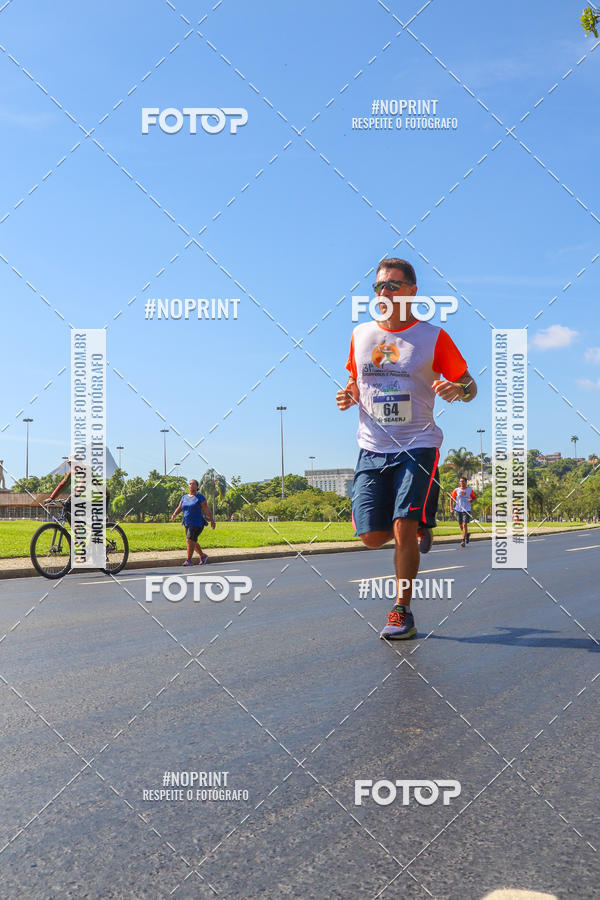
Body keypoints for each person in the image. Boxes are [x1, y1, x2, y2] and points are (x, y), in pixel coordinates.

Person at [336, 257, 477, 640]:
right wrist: (349, 395)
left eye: (392, 285)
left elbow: (470, 385)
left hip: (418, 445)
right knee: (371, 537)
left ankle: (402, 611)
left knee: (402, 525)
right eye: (378, 286)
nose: (383, 292)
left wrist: (458, 390)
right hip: (372, 447)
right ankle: (419, 525)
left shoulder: (433, 338)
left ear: (412, 292)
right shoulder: (361, 335)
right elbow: (355, 380)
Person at [171, 479, 215, 565]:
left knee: (189, 540)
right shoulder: (184, 497)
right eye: (190, 484)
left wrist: (212, 520)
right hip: (187, 522)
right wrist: (174, 514)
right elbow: (180, 507)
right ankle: (203, 556)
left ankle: (188, 560)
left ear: (197, 486)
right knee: (192, 541)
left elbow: (206, 509)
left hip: (197, 523)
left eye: (193, 484)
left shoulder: (200, 497)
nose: (191, 485)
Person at [450, 476, 476, 547]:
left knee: (464, 525)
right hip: (458, 509)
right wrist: (451, 508)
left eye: (463, 481)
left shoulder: (469, 490)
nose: (461, 483)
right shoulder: (456, 490)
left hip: (466, 510)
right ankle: (467, 534)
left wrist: (472, 500)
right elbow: (451, 498)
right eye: (460, 481)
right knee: (461, 525)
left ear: (466, 482)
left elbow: (474, 497)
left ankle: (463, 541)